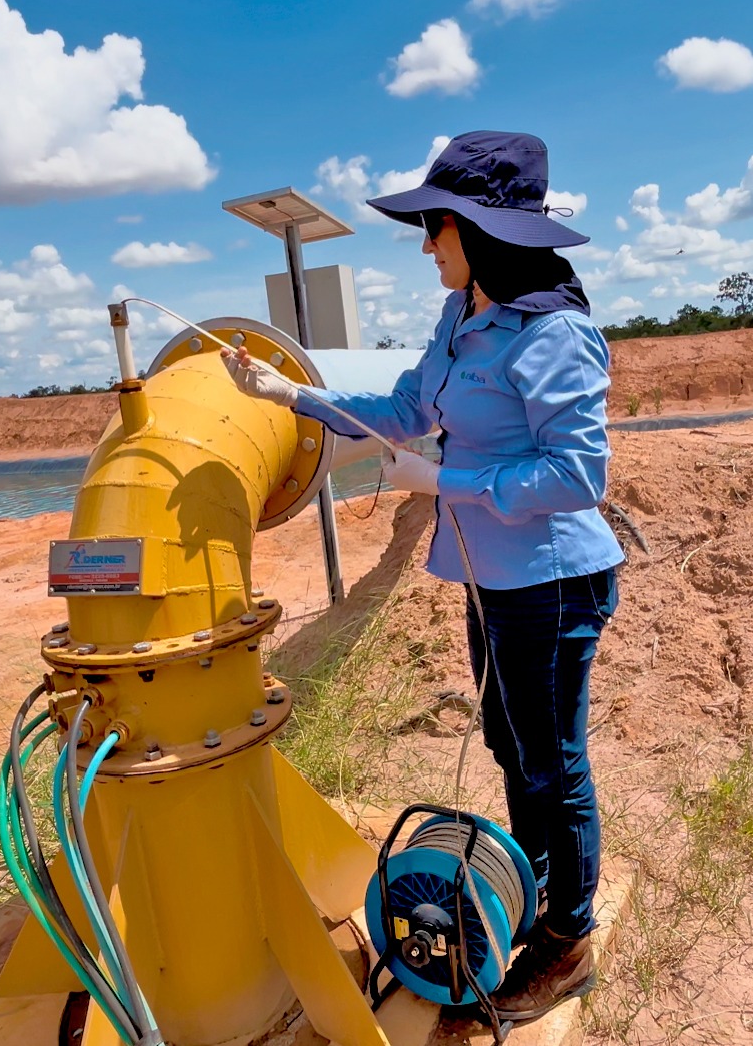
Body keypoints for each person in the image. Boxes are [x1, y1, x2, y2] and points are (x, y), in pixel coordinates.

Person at [224, 131, 623, 1023]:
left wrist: (446, 480)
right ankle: (540, 892)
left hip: (550, 581)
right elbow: (408, 408)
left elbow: (578, 477)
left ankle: (568, 944)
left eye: (433, 228)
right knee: (509, 740)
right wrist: (292, 394)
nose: (423, 244)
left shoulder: (554, 334)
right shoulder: (463, 313)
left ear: (476, 231)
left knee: (552, 763)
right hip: (492, 574)